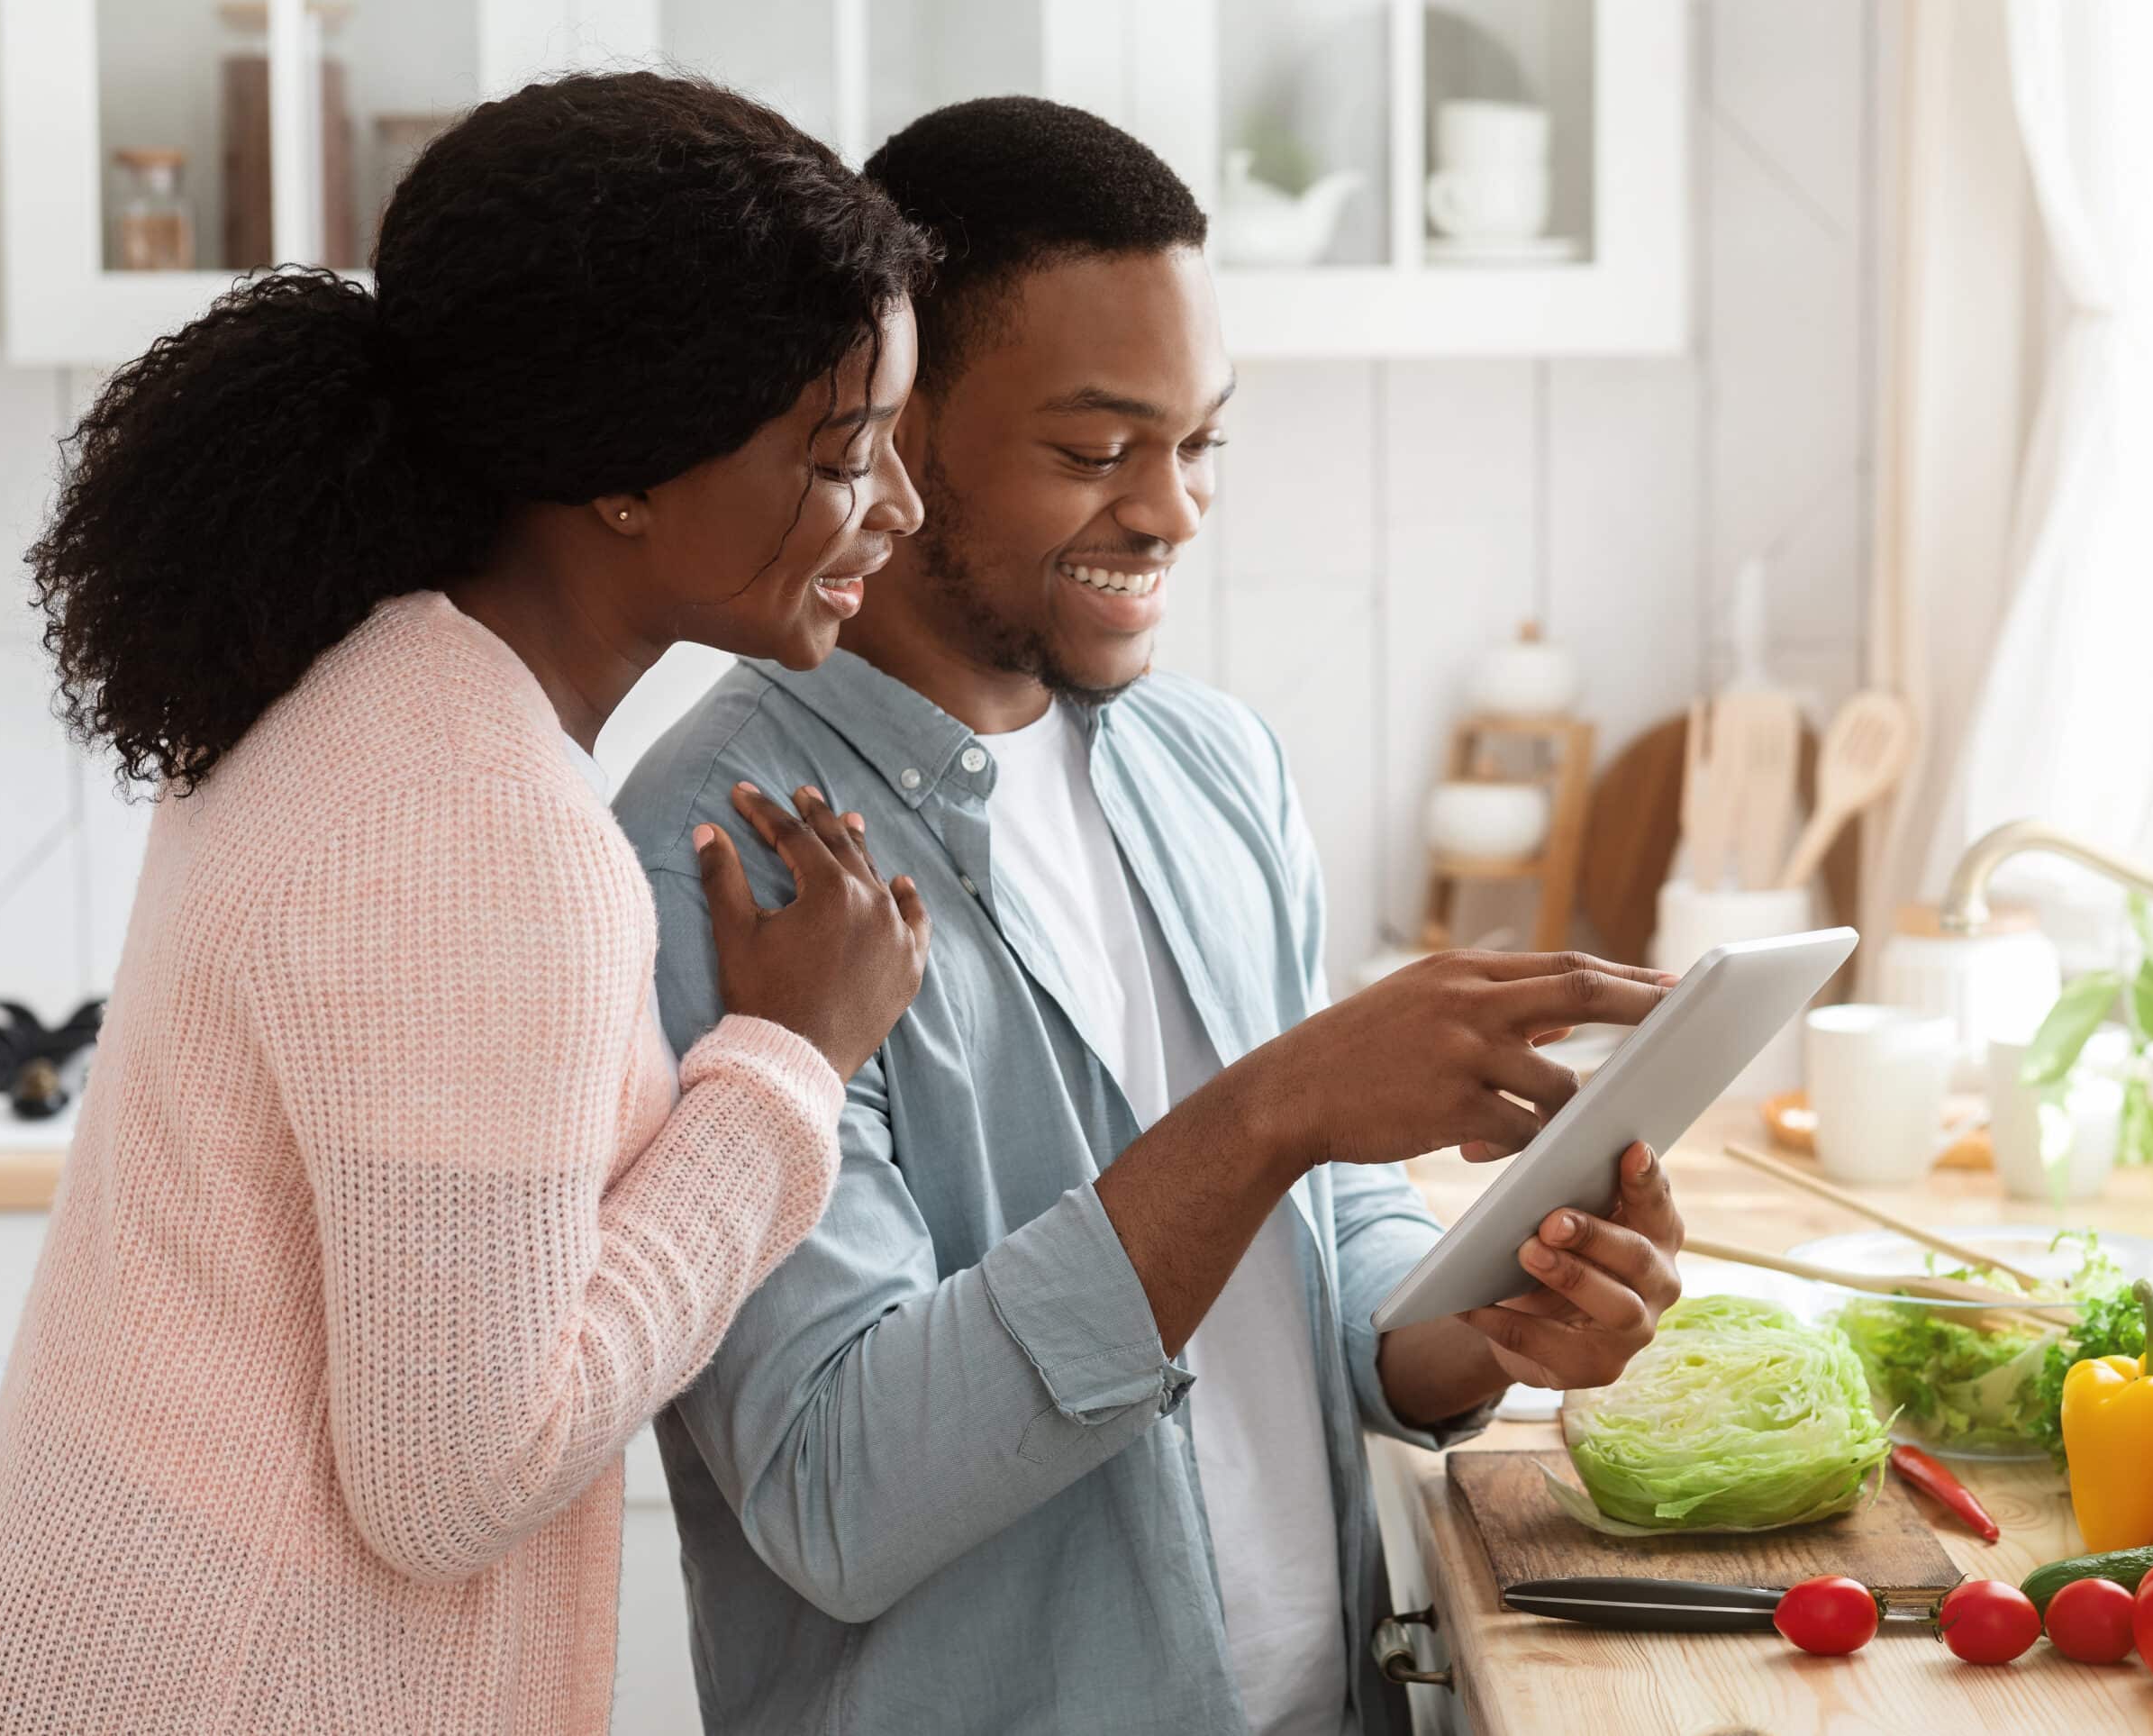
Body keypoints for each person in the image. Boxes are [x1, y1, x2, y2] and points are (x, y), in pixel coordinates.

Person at [613, 96, 1687, 1736]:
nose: (1173, 512)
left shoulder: (1214, 766)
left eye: (1198, 446)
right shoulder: (723, 856)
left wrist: (1472, 1327)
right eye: (1094, 451)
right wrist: (1270, 1114)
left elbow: (1320, 1263)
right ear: (891, 438)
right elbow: (838, 1493)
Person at [0, 73, 934, 1735]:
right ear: (627, 471)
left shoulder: (363, 675)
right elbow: (455, 1477)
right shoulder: (480, 829)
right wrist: (786, 1070)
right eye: (843, 452)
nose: (897, 510)